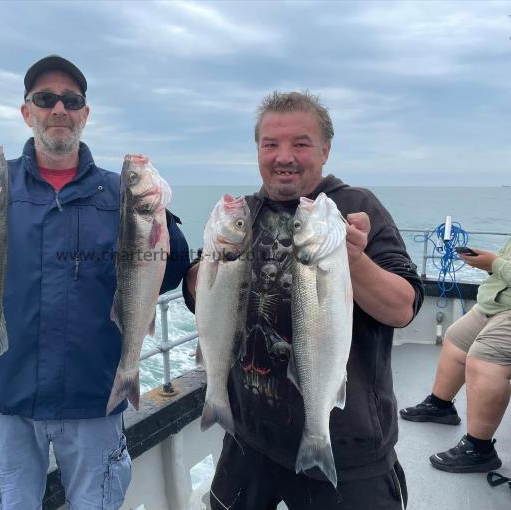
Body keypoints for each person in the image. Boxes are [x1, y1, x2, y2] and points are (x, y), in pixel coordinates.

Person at [183, 91, 424, 509]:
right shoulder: (243, 215)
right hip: (249, 438)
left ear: (326, 149)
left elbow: (403, 309)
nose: (284, 156)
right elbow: (201, 297)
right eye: (270, 144)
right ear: (257, 149)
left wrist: (353, 259)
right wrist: (207, 268)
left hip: (345, 447)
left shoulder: (353, 208)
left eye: (301, 143)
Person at [0, 55, 190, 509]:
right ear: (26, 111)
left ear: (85, 114)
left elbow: (168, 274)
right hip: (10, 402)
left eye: (71, 100)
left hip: (95, 399)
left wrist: (160, 220)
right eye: (45, 99)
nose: (59, 109)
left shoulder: (119, 194)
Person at [400, 240, 511, 473]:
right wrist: (489, 264)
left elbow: (501, 264)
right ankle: (441, 406)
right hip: (496, 305)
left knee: (485, 358)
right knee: (457, 337)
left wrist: (495, 263)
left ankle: (479, 449)